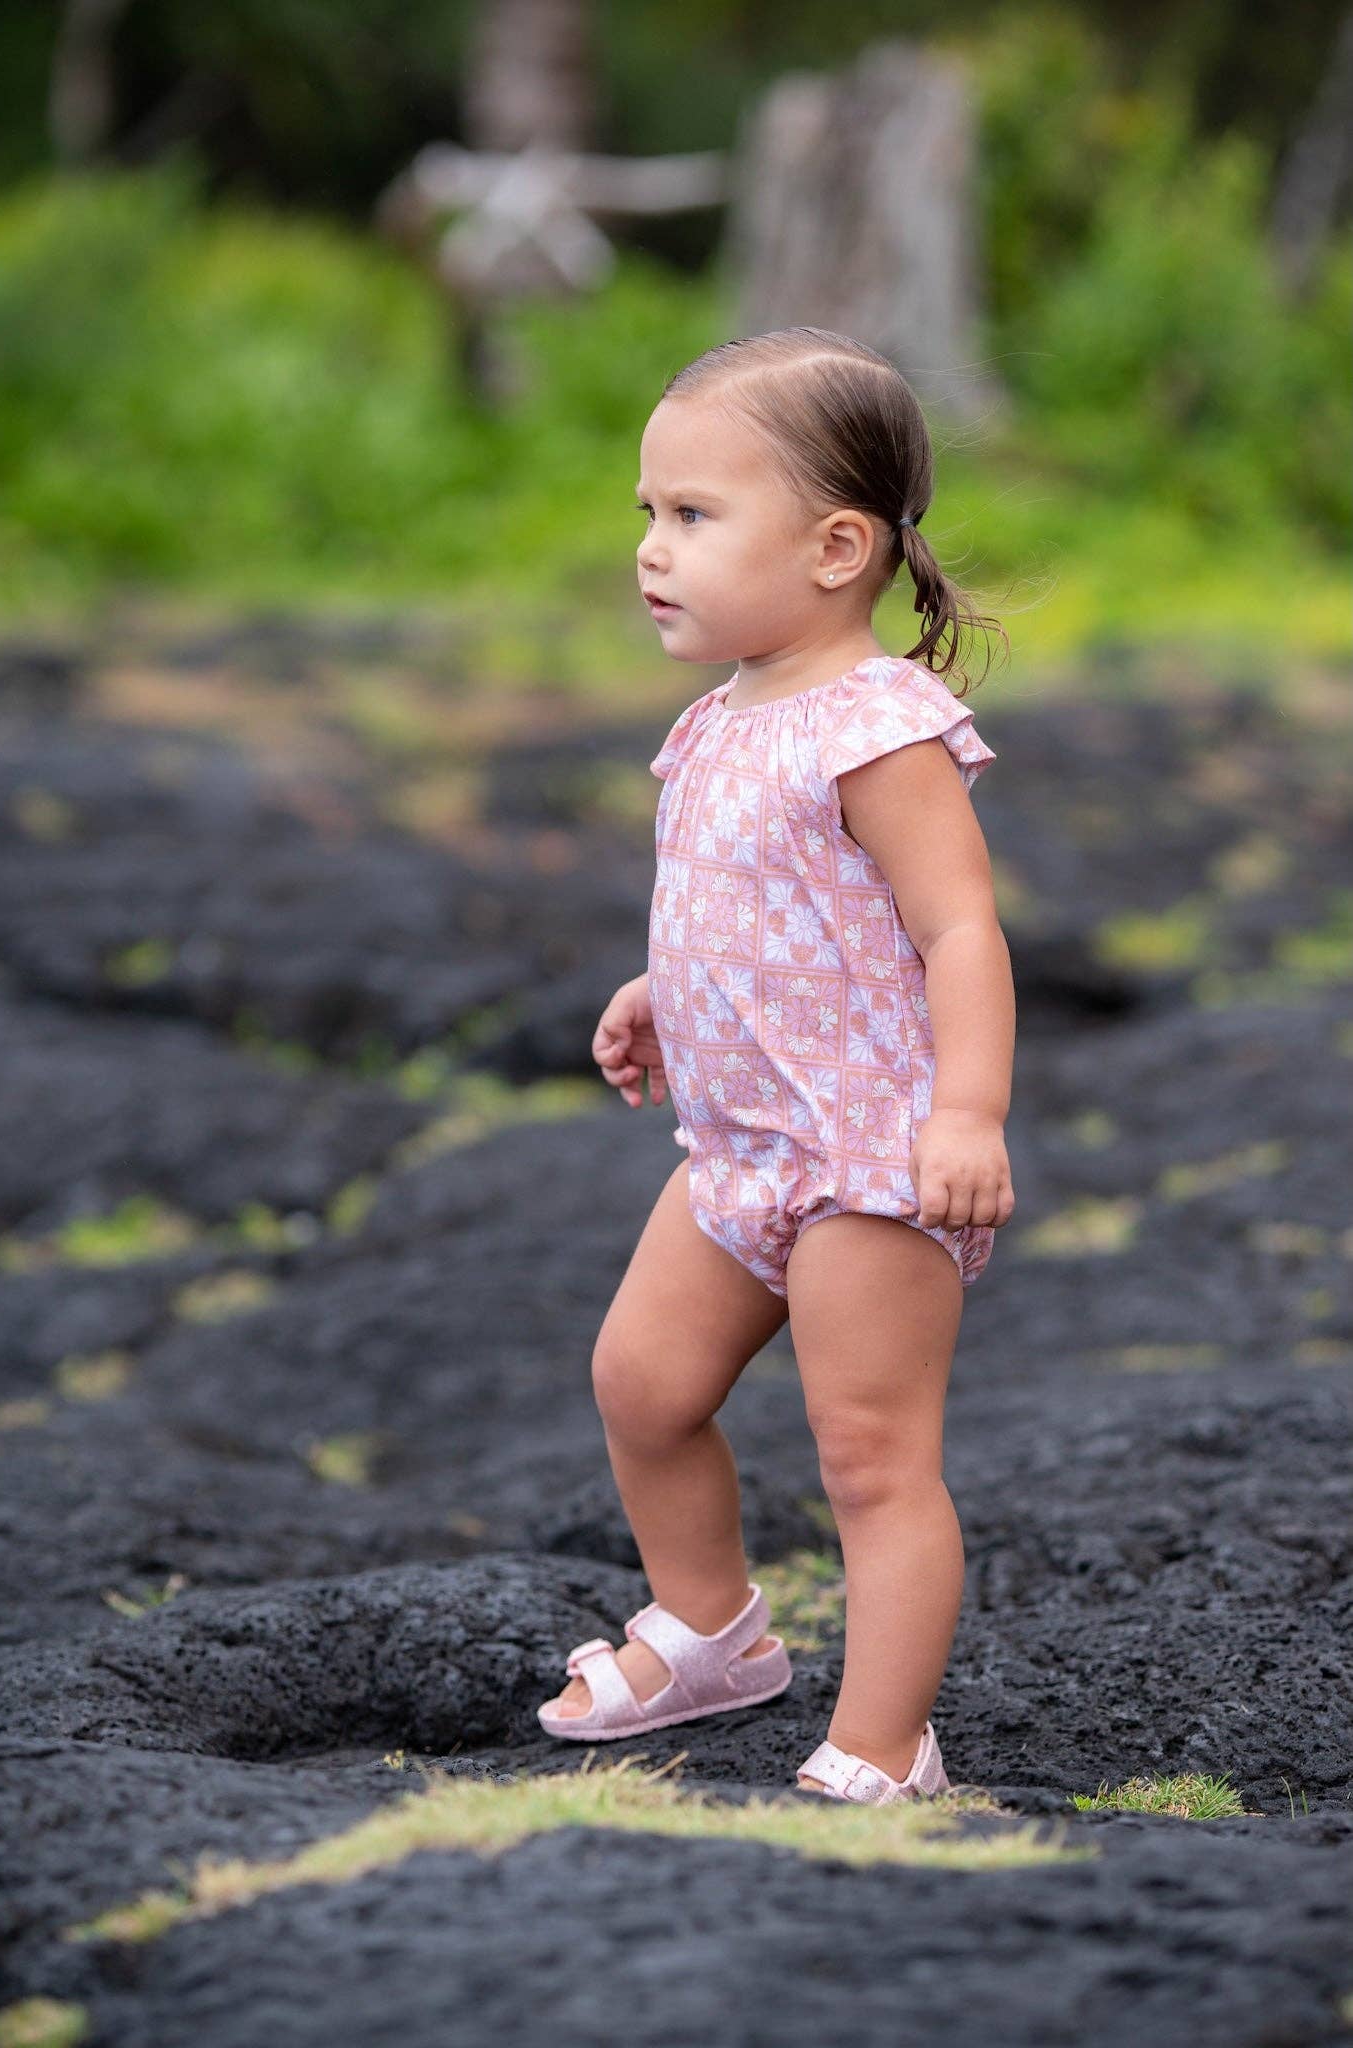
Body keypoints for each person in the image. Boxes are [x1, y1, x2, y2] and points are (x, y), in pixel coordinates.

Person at [536, 326, 1016, 1806]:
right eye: (646, 514)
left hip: (872, 1160)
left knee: (869, 1455)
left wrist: (968, 1112)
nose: (650, 549)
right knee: (641, 1381)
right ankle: (709, 1628)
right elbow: (749, 905)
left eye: (690, 515)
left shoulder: (878, 729)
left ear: (833, 547)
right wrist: (659, 994)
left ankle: (884, 1747)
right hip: (740, 1153)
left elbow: (955, 930)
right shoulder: (711, 721)